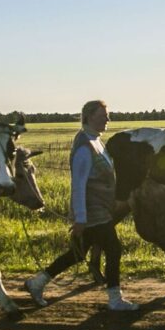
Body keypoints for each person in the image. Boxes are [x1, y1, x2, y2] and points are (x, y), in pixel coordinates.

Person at [25, 100, 139, 310]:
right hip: (92, 213)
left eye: (107, 115)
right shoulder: (84, 147)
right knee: (114, 249)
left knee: (77, 255)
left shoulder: (96, 141)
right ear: (89, 116)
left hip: (99, 210)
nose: (108, 119)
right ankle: (115, 299)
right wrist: (80, 218)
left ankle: (37, 282)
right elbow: (78, 185)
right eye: (103, 115)